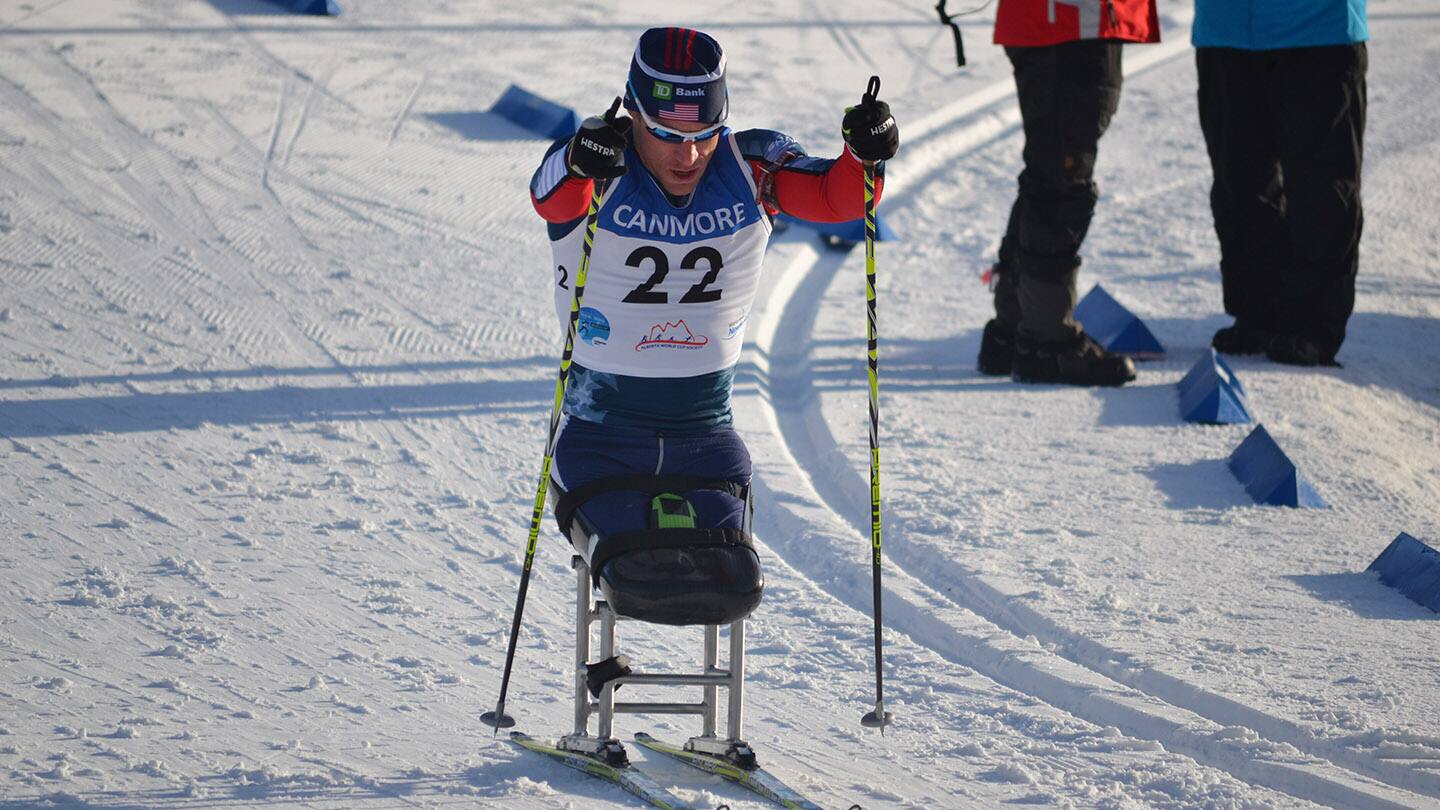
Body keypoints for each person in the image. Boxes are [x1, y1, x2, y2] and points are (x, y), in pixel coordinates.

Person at [529, 27, 898, 554]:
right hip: (599, 440)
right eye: (668, 135)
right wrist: (577, 158)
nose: (691, 155)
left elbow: (835, 199)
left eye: (706, 134)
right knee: (632, 570)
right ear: (633, 112)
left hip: (706, 444)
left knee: (727, 581)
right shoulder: (599, 168)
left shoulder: (750, 166)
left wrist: (865, 156)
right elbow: (552, 198)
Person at [976, 0, 1159, 386]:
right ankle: (1046, 343)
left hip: (1057, 21)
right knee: (1062, 179)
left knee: (1050, 172)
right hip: (1071, 22)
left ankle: (1015, 327)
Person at [1194, 0, 1368, 367]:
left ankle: (1313, 325)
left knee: (1321, 188)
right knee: (1238, 182)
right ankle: (1259, 312)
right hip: (1226, 27)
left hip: (1318, 26)